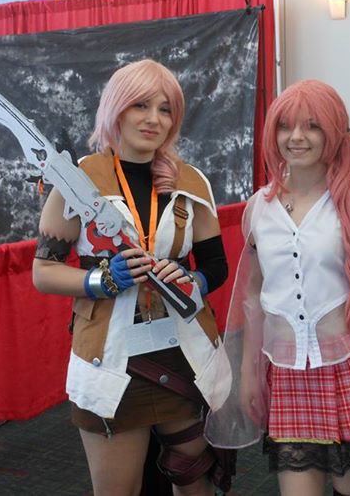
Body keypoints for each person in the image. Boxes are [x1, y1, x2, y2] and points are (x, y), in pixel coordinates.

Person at [32, 59, 233, 496]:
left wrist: (191, 282)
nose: (153, 119)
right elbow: (43, 272)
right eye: (141, 105)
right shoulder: (78, 179)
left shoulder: (191, 181)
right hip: (112, 360)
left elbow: (216, 264)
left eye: (165, 109)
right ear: (116, 109)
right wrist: (99, 282)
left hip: (186, 356)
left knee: (193, 480)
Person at [205, 79, 350, 496]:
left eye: (312, 126)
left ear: (333, 132)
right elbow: (253, 297)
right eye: (285, 126)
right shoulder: (259, 207)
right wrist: (248, 376)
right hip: (286, 375)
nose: (296, 137)